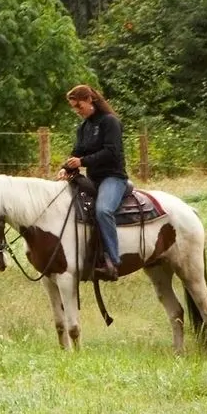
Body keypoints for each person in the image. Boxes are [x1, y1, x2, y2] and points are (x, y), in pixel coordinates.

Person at [59, 83, 127, 280]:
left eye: (78, 106)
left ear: (89, 100)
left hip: (113, 178)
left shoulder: (110, 122)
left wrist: (82, 162)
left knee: (103, 210)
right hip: (93, 179)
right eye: (74, 108)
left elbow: (111, 152)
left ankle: (113, 262)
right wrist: (67, 167)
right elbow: (77, 151)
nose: (77, 111)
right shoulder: (84, 127)